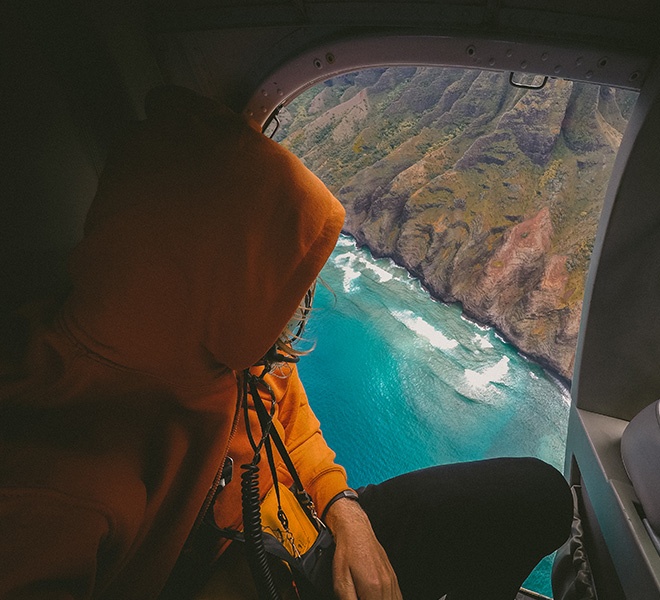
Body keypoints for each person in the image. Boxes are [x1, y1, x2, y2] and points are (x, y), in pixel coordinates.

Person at [0, 85, 572, 600]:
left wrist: (346, 512)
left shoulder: (218, 347)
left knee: (540, 496)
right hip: (254, 566)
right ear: (213, 275)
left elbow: (289, 417)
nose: (296, 307)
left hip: (308, 522)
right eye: (281, 280)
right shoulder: (55, 488)